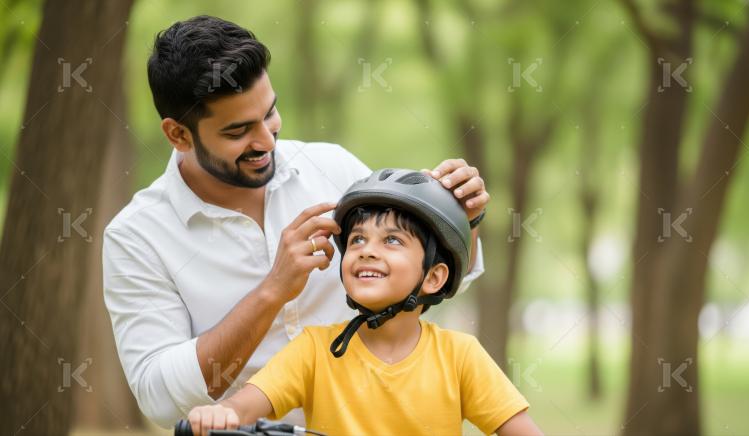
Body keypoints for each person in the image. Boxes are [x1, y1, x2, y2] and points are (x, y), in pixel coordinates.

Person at [103, 16, 490, 427]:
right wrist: (272, 291)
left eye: (270, 113)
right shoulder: (137, 236)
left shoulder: (331, 167)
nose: (267, 141)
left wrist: (462, 219)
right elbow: (160, 398)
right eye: (239, 131)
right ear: (179, 135)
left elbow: (428, 279)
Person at [186, 169, 543, 436]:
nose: (367, 251)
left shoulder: (459, 356)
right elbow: (246, 404)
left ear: (434, 277)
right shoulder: (315, 350)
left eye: (392, 240)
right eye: (357, 240)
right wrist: (224, 413)